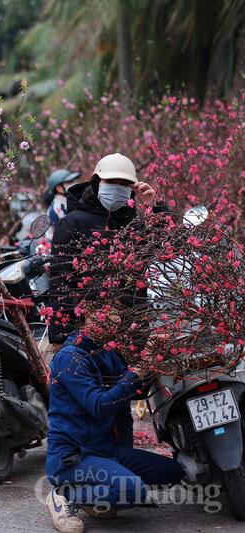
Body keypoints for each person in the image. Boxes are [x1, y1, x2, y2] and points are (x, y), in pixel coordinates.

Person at [44, 307, 185, 533]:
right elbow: (100, 406)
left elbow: (129, 392)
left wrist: (156, 360)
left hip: (105, 450)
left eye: (119, 312)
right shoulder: (70, 358)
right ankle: (64, 495)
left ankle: (98, 493)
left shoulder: (106, 351)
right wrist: (140, 366)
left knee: (172, 471)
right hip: (73, 457)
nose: (117, 318)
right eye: (109, 311)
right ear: (87, 311)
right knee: (133, 491)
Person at [48, 153, 157, 346]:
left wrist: (154, 208)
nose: (116, 188)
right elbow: (60, 279)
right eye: (111, 181)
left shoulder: (136, 223)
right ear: (97, 182)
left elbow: (169, 250)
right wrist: (61, 336)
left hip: (131, 330)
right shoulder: (72, 223)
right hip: (85, 332)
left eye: (123, 183)